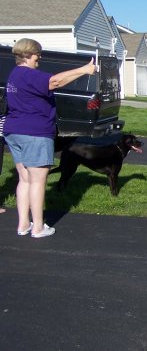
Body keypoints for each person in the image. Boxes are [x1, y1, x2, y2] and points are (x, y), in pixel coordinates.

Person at [4, 38, 96, 238]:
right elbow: (55, 81)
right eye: (38, 53)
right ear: (29, 54)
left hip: (14, 131)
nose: (39, 57)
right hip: (34, 132)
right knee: (38, 181)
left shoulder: (14, 74)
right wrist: (84, 70)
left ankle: (23, 225)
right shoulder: (29, 74)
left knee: (25, 179)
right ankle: (38, 227)